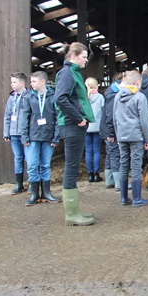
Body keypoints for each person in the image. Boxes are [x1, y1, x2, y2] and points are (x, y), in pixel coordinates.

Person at [54, 42, 96, 226]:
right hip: (72, 125)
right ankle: (71, 214)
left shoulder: (73, 72)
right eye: (84, 57)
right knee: (71, 168)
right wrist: (78, 118)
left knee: (73, 166)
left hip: (74, 125)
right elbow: (60, 99)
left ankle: (75, 211)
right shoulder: (67, 73)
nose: (86, 60)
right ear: (73, 56)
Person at [21, 71, 61, 206]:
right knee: (32, 165)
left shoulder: (53, 97)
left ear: (42, 81)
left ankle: (46, 193)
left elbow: (58, 117)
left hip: (48, 137)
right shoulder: (29, 97)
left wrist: (56, 137)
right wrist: (24, 136)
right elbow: (25, 118)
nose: (31, 84)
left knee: (45, 165)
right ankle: (34, 194)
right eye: (31, 81)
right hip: (33, 137)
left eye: (34, 81)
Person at [114, 70, 148, 207]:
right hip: (136, 135)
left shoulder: (118, 96)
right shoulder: (140, 97)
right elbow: (144, 121)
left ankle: (124, 198)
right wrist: (147, 140)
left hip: (122, 135)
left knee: (123, 164)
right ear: (138, 82)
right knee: (136, 166)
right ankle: (137, 198)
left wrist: (118, 135)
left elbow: (114, 118)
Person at [3, 72, 29, 194]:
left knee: (29, 158)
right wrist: (6, 132)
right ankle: (19, 184)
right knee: (18, 158)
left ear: (22, 83)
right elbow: (7, 115)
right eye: (11, 82)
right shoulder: (12, 97)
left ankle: (32, 183)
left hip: (26, 134)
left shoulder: (29, 96)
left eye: (14, 82)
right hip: (14, 133)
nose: (11, 84)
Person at [100, 72, 123, 190]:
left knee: (110, 153)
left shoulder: (110, 92)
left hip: (106, 129)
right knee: (115, 154)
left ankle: (109, 181)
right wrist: (111, 133)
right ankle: (119, 183)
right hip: (110, 130)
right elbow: (110, 115)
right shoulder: (113, 95)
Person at [84, 77, 105, 183]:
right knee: (96, 150)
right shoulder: (100, 97)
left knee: (88, 150)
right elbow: (103, 112)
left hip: (86, 127)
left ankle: (90, 174)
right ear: (96, 86)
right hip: (97, 127)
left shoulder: (84, 98)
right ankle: (97, 174)